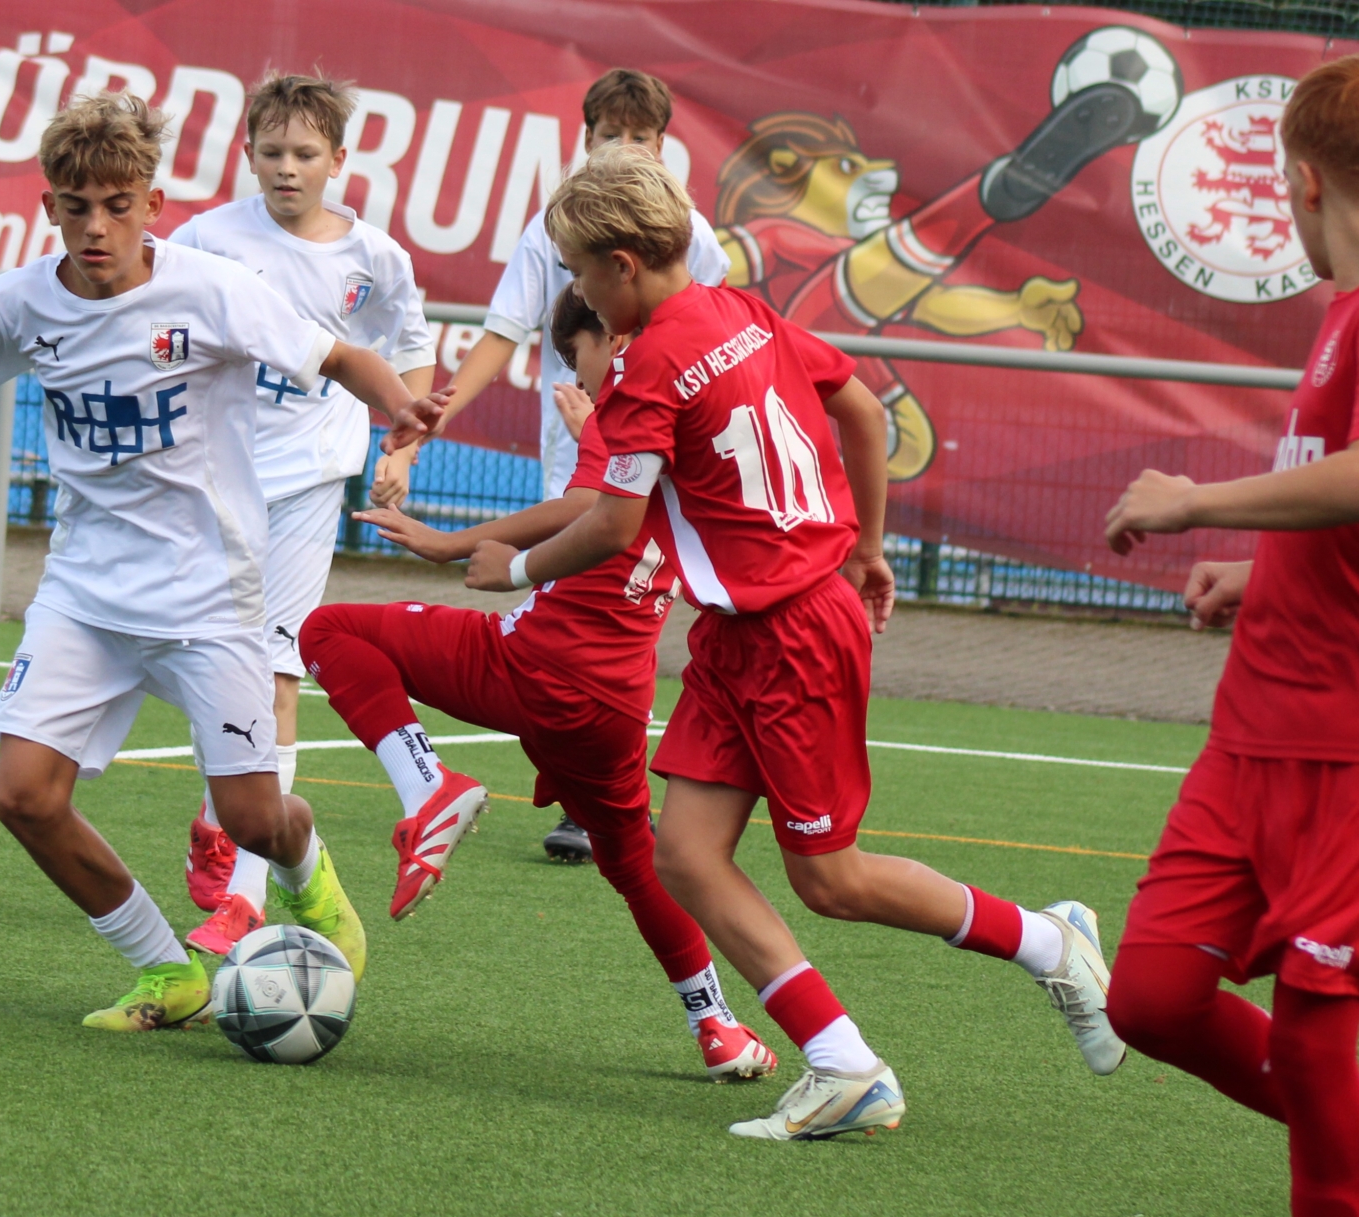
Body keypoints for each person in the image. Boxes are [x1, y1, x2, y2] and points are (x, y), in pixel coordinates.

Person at [461, 145, 1126, 1141]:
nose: (580, 294)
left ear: (624, 264)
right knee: (687, 853)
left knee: (831, 878)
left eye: (581, 272)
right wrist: (869, 545)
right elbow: (859, 404)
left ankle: (1047, 940)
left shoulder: (645, 364)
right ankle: (843, 1065)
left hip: (793, 636)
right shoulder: (742, 310)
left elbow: (611, 523)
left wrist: (512, 568)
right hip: (747, 632)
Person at [0, 93, 444, 1025]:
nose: (96, 228)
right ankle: (167, 968)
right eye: (76, 207)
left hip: (210, 597)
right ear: (49, 207)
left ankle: (307, 869)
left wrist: (399, 405)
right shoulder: (22, 300)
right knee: (24, 796)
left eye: (117, 207)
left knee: (253, 821)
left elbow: (339, 356)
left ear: (152, 205)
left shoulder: (213, 289)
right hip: (85, 592)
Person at [1100, 55, 1359, 1217]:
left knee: (1316, 1041)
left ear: (1306, 180)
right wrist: (1263, 572)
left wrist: (1190, 503)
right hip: (1260, 728)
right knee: (1149, 998)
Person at [295, 281, 777, 1079]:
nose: (577, 377)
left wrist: (450, 542)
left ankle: (429, 789)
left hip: (539, 664)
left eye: (576, 355)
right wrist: (593, 434)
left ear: (614, 337)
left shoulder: (627, 401)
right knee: (634, 862)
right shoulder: (702, 415)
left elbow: (588, 500)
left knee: (329, 630)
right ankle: (717, 1022)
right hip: (618, 700)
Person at [415, 67, 729, 864]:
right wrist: (433, 416)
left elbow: (718, 333)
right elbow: (503, 329)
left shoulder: (690, 233)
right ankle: (590, 802)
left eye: (640, 136)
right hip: (578, 464)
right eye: (608, 134)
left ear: (663, 147)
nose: (623, 147)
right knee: (567, 630)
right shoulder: (549, 227)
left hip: (654, 469)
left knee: (625, 624)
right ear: (584, 140)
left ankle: (605, 800)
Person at [166, 71, 438, 956]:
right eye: (274, 151)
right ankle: (222, 816)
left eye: (306, 153)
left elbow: (412, 356)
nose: (289, 168)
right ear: (248, 154)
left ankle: (242, 896)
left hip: (313, 481)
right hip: (214, 479)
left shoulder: (376, 258)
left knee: (276, 671)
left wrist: (399, 450)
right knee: (209, 662)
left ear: (338, 160)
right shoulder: (205, 240)